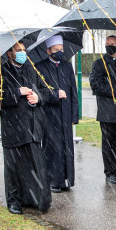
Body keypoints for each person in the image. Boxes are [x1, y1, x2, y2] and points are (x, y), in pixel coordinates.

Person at [0, 41, 54, 214]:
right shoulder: (0, 73)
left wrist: (37, 97)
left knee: (33, 165)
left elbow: (47, 90)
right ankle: (14, 201)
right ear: (9, 53)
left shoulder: (32, 69)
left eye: (24, 50)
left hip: (33, 126)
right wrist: (17, 93)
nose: (23, 53)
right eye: (19, 50)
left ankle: (33, 198)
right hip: (13, 127)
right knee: (14, 167)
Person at [35, 35, 80, 193]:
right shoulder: (39, 67)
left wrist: (75, 115)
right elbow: (38, 91)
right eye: (56, 50)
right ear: (48, 51)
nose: (59, 52)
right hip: (49, 114)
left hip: (66, 114)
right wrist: (54, 93)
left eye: (61, 49)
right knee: (53, 148)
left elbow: (74, 92)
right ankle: (53, 180)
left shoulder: (67, 67)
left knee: (67, 147)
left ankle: (66, 179)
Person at [90, 35, 116, 183]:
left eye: (112, 44)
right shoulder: (99, 64)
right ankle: (109, 172)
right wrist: (114, 89)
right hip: (107, 110)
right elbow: (96, 85)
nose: (109, 46)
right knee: (108, 143)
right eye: (107, 44)